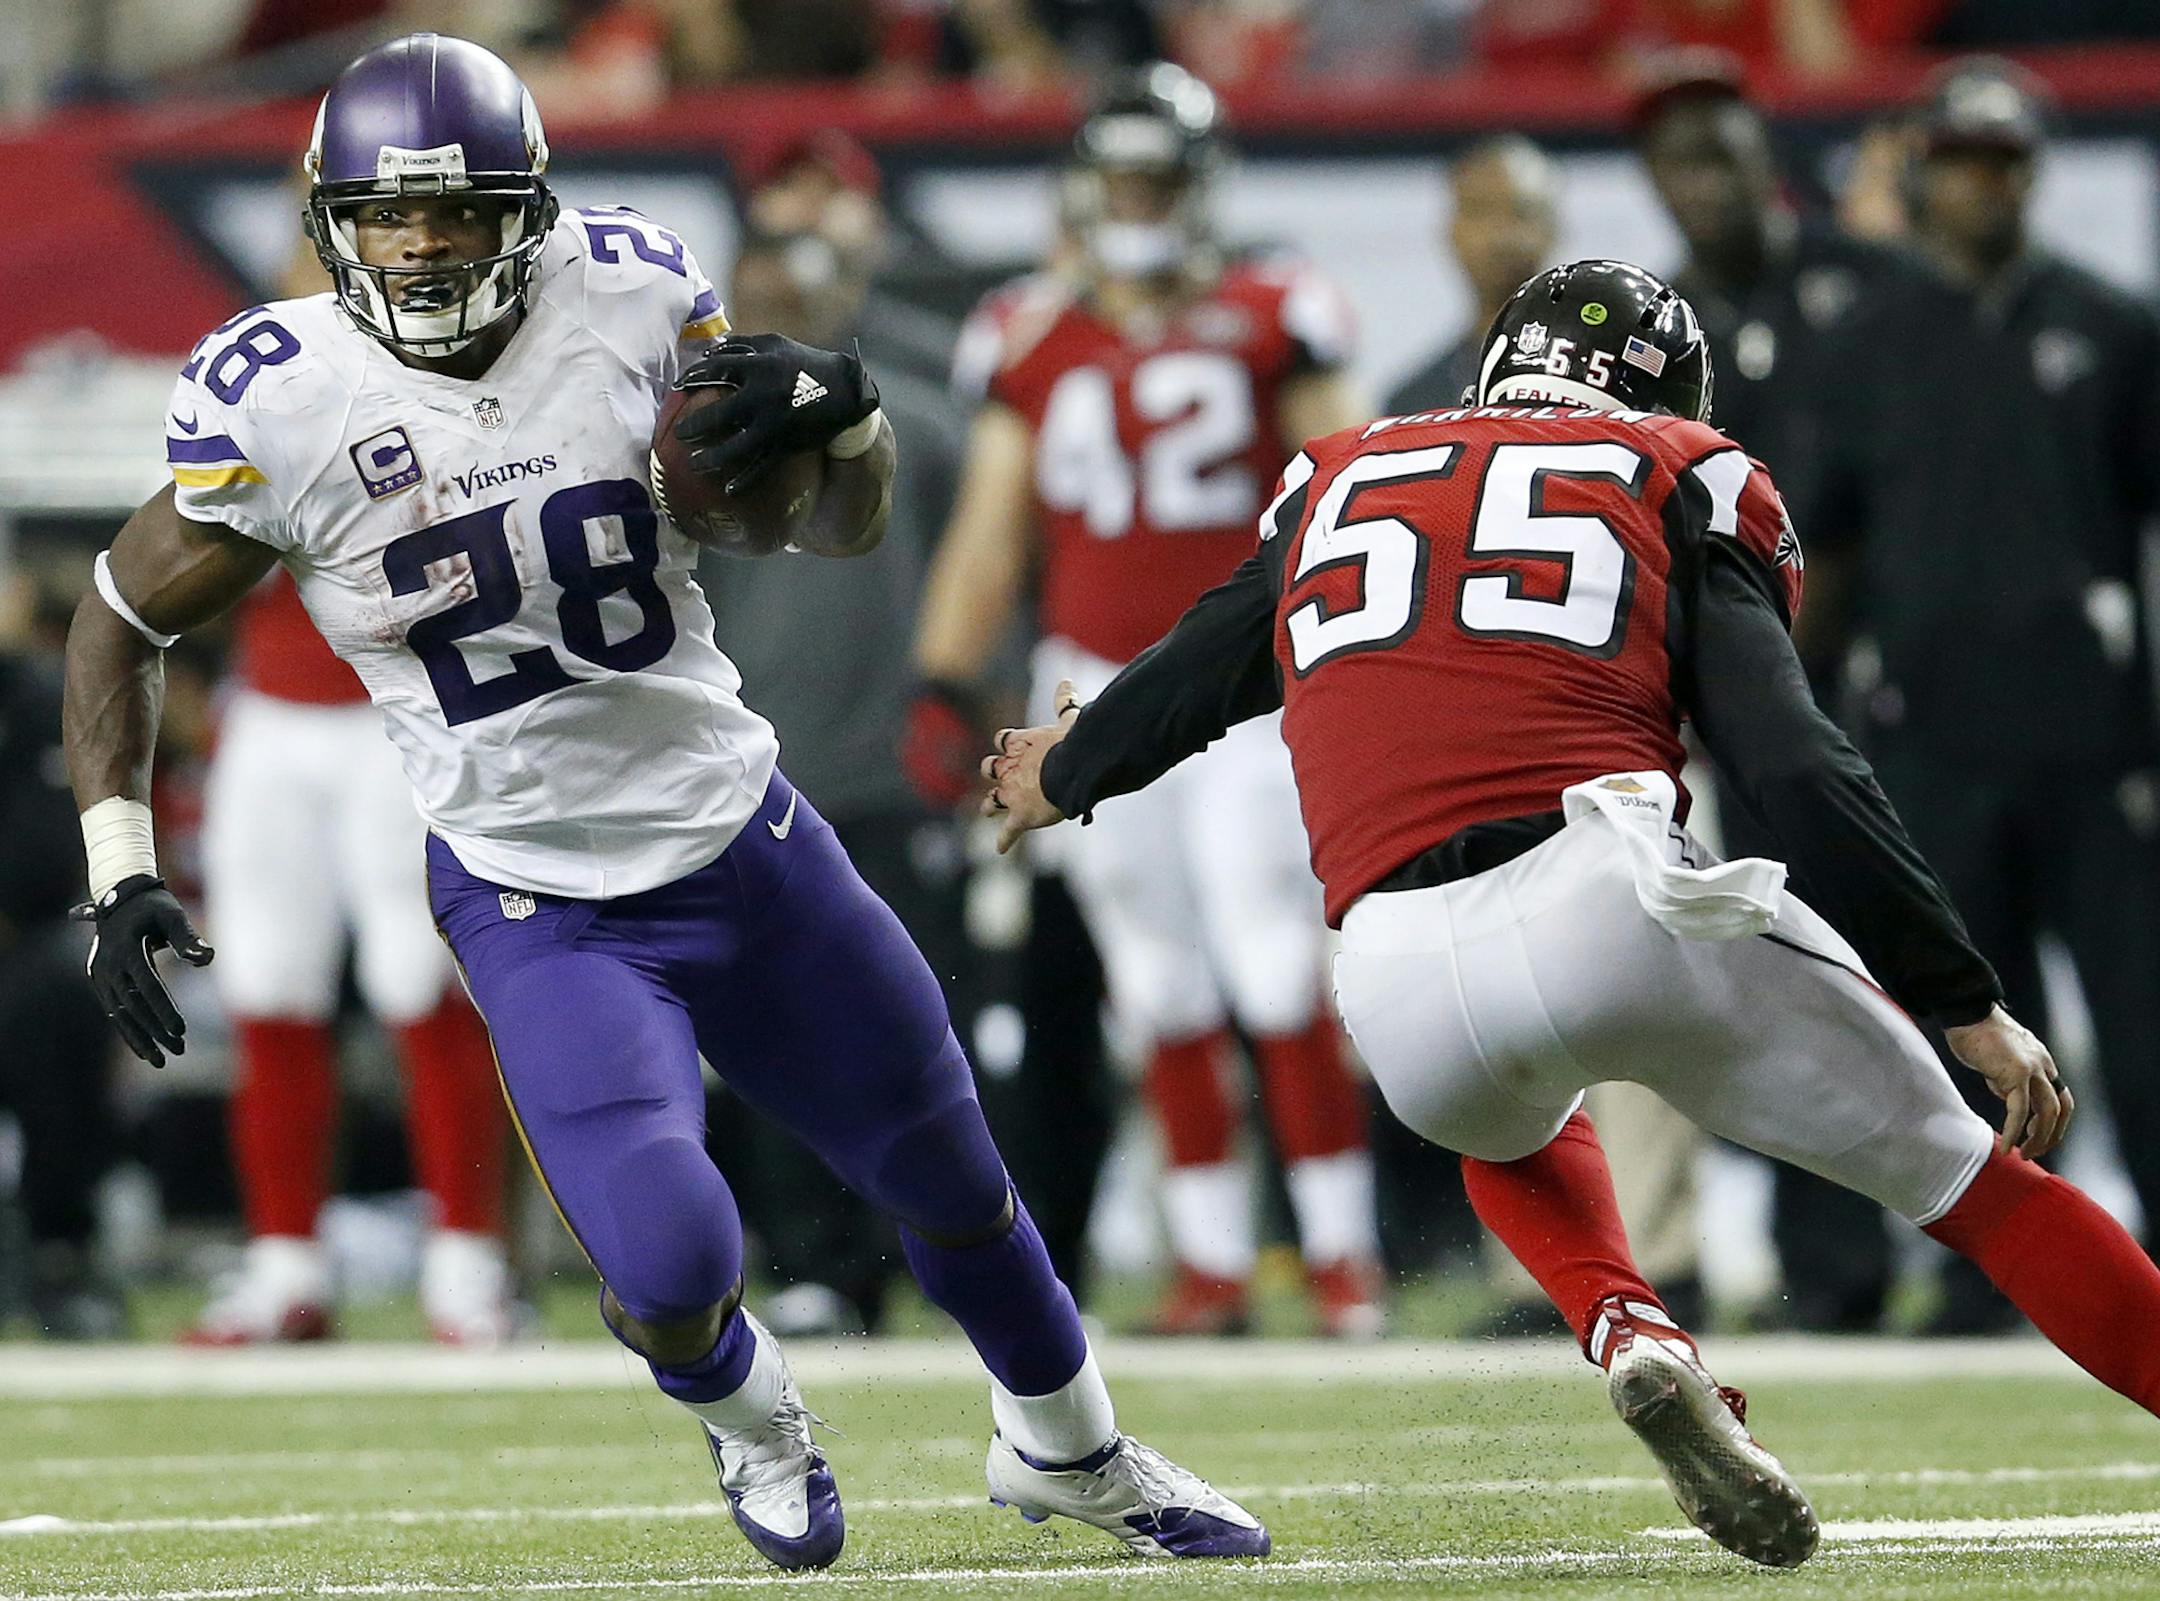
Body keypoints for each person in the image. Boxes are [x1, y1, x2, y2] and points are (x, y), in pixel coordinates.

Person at [60, 33, 1266, 1572]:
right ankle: (754, 1418)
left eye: (459, 211)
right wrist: (118, 860)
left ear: (533, 207)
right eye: (385, 214)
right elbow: (117, 614)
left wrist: (852, 419)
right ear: (325, 217)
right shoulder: (277, 396)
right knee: (675, 1264)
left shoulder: (630, 294)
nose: (421, 245)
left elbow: (826, 526)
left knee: (953, 1176)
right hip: (535, 895)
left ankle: (1074, 1452)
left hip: (742, 837)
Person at [986, 257, 2160, 1568]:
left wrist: (1067, 770)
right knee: (1977, 1185)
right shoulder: (1677, 469)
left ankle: (1631, 1327)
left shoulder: (1339, 473)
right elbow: (1797, 765)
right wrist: (1962, 999)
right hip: (1605, 888)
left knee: (1509, 1113)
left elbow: (1206, 663)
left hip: (1389, 972)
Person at [910, 62, 1384, 1338]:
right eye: (1120, 177)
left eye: (1157, 178)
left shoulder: (1275, 306)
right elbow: (991, 531)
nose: (1137, 200)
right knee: (1156, 978)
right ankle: (1213, 1261)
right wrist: (948, 678)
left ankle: (1342, 1255)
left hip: (1243, 686)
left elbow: (1358, 487)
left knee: (1275, 953)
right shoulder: (1027, 327)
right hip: (1094, 680)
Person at [1786, 60, 2160, 1335]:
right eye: (1960, 157)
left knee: (2144, 1010)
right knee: (1974, 1017)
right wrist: (1794, 712)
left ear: (2032, 170)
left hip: (2101, 733)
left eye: (2002, 158)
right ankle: (1984, 1266)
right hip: (1932, 734)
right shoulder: (1864, 343)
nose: (1981, 181)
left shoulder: (2113, 326)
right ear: (1919, 168)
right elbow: (1821, 553)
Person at [1388, 133, 1706, 1332]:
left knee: (1644, 987)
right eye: (1483, 211)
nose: (1506, 234)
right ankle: (1567, 1268)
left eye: (1526, 210)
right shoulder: (1417, 385)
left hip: (1624, 725)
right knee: (1508, 1000)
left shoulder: (1644, 375)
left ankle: (1664, 1251)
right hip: (1479, 743)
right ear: (1449, 230)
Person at [1636, 52, 1901, 1331]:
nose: (1703, 181)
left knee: (1896, 962)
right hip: (1720, 702)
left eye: (1720, 151)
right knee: (1779, 976)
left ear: (1767, 160)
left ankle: (1965, 1248)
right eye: (1675, 160)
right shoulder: (1647, 330)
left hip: (1877, 689)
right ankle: (1824, 1260)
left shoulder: (1866, 295)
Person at [697, 216, 971, 1337]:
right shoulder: (687, 433)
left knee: (909, 1027)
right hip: (749, 772)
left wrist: (971, 703)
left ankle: (939, 1243)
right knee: (773, 1033)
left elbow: (983, 561)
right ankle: (816, 1258)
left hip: (889, 767)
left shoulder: (918, 419)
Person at [188, 570, 511, 1346]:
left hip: (400, 701)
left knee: (423, 988)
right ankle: (285, 1265)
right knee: (266, 989)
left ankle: (467, 1267)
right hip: (264, 704)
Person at [0, 574, 123, 1339]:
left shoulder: (38, 694)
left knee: (66, 985)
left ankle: (60, 1252)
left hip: (23, 946)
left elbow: (53, 854)